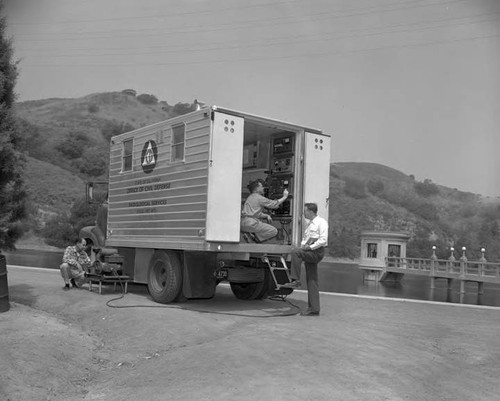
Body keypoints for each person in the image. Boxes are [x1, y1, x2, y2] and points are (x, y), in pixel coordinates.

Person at [283, 203, 328, 316]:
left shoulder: (321, 222)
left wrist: (310, 247)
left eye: (305, 211)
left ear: (311, 212)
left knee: (296, 253)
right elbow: (306, 240)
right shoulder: (309, 224)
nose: (304, 213)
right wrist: (303, 246)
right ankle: (314, 308)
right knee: (312, 280)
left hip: (316, 252)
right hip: (309, 251)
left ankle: (295, 280)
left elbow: (323, 240)